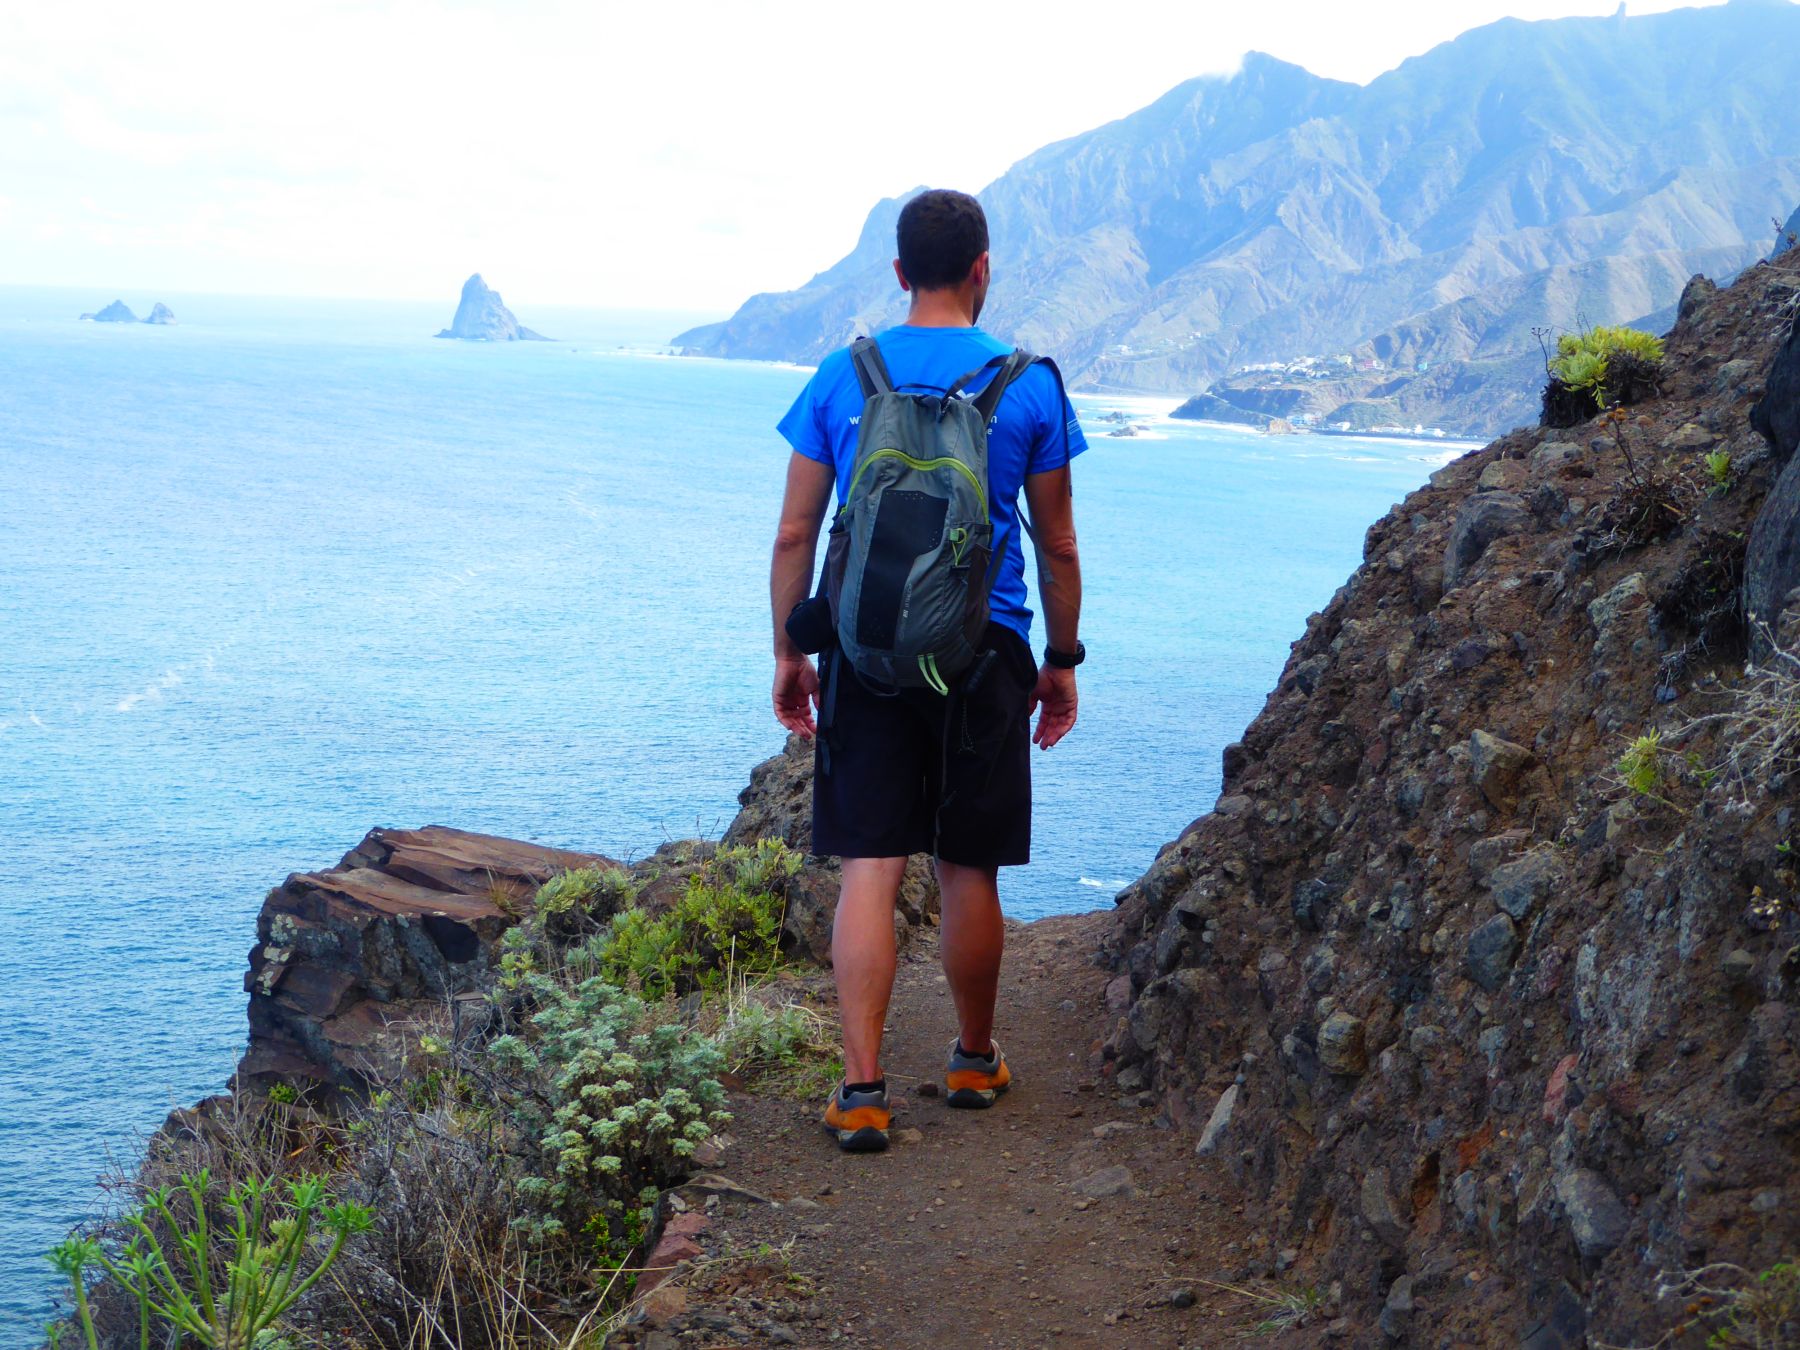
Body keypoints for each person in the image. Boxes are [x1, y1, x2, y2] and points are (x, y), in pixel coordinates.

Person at [767, 188, 1088, 1153]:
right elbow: (1059, 543)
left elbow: (793, 532)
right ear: (982, 268)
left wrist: (792, 650)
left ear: (899, 272)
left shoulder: (842, 374)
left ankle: (860, 1090)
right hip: (984, 651)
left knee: (871, 864)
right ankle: (973, 1059)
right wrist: (1061, 661)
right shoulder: (1028, 384)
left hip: (863, 651)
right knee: (966, 866)